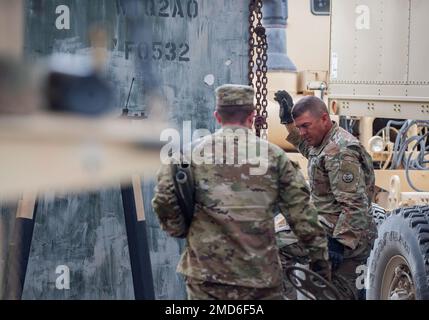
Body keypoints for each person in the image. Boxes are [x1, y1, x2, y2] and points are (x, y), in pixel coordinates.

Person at [152, 84, 329, 300]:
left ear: (217, 116)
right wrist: (320, 262)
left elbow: (163, 200)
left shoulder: (187, 155)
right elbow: (303, 217)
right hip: (260, 278)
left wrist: (181, 230)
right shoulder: (275, 158)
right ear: (252, 116)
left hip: (206, 277)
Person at [274, 91, 377, 299]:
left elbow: (355, 205)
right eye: (299, 126)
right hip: (332, 228)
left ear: (324, 119)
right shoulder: (322, 141)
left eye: (305, 126)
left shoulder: (339, 152)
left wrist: (339, 243)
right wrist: (288, 122)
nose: (302, 132)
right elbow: (306, 147)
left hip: (343, 236)